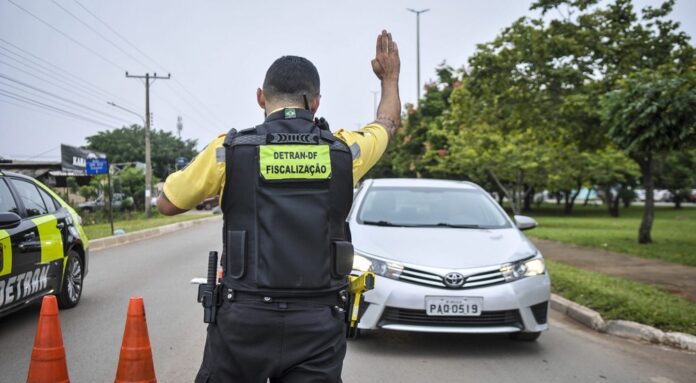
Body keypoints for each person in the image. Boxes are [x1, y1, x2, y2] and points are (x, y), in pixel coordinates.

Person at [157, 30, 401, 383]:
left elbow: (168, 204)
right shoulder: (346, 152)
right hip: (318, 322)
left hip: (244, 321)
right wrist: (389, 79)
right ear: (315, 102)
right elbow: (387, 124)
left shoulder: (229, 151)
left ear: (261, 98)